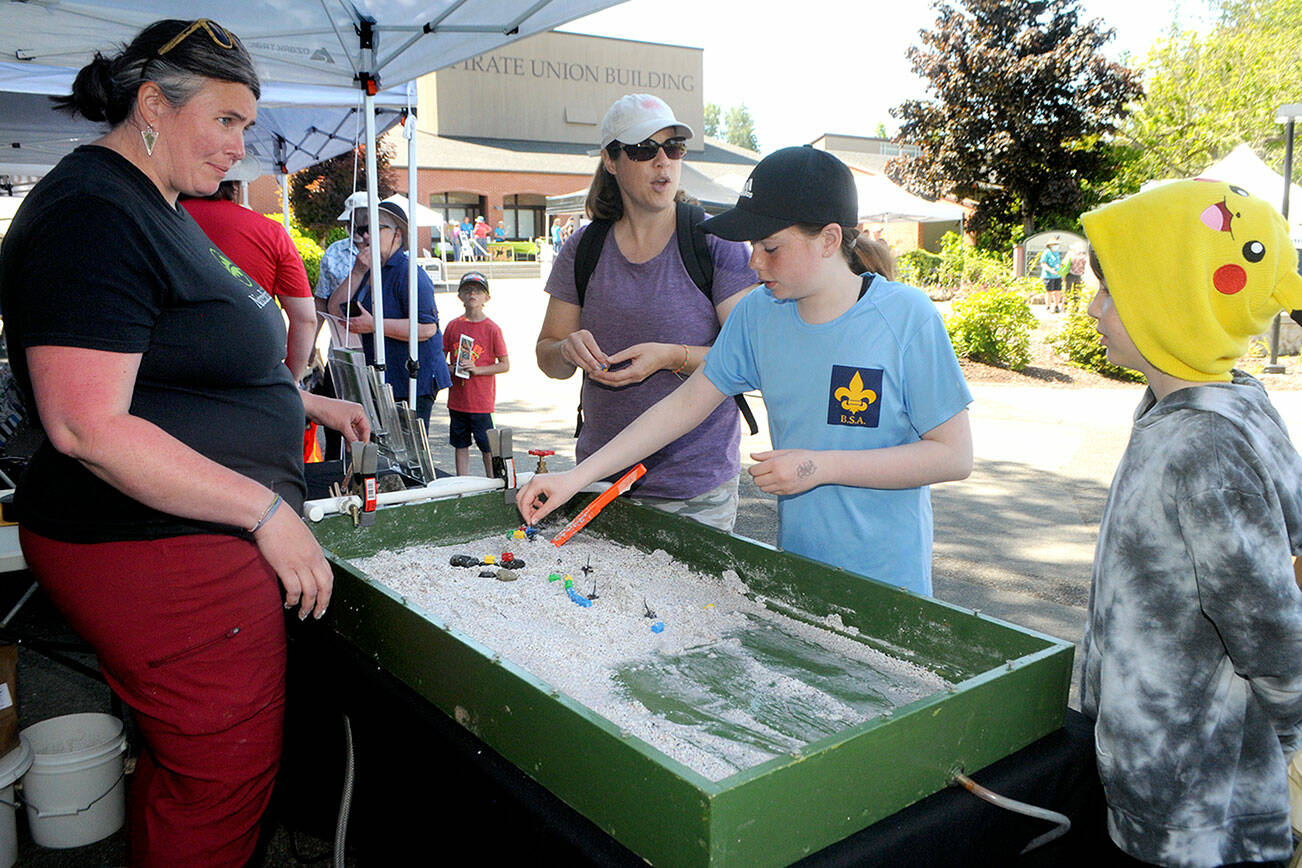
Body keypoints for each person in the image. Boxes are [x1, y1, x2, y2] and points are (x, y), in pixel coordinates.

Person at [0, 18, 370, 868]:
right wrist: (266, 511)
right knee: (221, 776)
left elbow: (177, 367)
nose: (242, 145)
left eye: (248, 125)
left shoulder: (148, 201)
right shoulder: (92, 212)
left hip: (173, 537)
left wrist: (303, 402)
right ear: (153, 104)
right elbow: (86, 424)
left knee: (186, 768)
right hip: (161, 548)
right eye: (227, 120)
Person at [521, 146, 973, 594]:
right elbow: (682, 407)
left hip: (891, 582)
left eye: (770, 246)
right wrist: (576, 479)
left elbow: (954, 455)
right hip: (799, 571)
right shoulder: (759, 314)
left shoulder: (906, 316)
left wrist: (820, 466)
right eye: (753, 245)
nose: (754, 262)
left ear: (830, 240)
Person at [1079, 179, 1302, 867]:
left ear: (1169, 304)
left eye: (1111, 290)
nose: (1092, 307)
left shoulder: (1202, 441)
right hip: (1167, 776)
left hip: (1196, 813)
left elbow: (1269, 626)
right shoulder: (1211, 405)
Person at [534, 93, 758, 532]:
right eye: (643, 149)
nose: (663, 161)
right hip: (600, 482)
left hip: (695, 489)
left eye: (673, 147)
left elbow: (752, 358)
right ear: (611, 161)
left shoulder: (714, 242)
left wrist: (672, 356)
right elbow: (548, 358)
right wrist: (566, 349)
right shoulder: (584, 247)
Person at [321, 199, 451, 428]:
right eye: (363, 230)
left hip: (412, 378)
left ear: (397, 234)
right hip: (383, 378)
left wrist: (375, 325)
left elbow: (427, 328)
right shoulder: (370, 270)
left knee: (410, 448)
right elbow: (334, 308)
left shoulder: (410, 273)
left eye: (375, 228)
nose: (366, 237)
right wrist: (359, 271)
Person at [183, 176, 317, 381]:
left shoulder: (156, 222)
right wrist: (290, 380)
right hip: (252, 372)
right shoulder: (271, 232)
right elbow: (305, 319)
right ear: (234, 185)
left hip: (172, 374)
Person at [443, 271, 509, 476]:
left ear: (486, 298)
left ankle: (491, 482)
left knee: (487, 447)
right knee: (460, 444)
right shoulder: (453, 326)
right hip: (457, 400)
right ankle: (462, 482)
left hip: (481, 402)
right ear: (460, 296)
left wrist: (477, 369)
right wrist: (450, 369)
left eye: (478, 291)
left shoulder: (492, 329)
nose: (473, 294)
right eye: (468, 290)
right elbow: (440, 358)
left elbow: (504, 364)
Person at [1040, 238, 1064, 313]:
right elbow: (1043, 263)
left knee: (1057, 291)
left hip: (1057, 276)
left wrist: (1061, 273)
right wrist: (1050, 270)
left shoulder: (1057, 253)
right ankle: (1048, 306)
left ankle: (1056, 306)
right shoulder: (1046, 253)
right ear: (1050, 245)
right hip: (1048, 276)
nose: (1056, 246)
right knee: (1049, 292)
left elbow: (1059, 264)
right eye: (1054, 244)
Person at [1063, 242, 1088, 310]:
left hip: (1070, 274)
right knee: (1077, 292)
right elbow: (1084, 266)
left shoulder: (1070, 254)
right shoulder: (1083, 256)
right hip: (1079, 275)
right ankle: (1076, 307)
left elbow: (1065, 263)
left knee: (1067, 290)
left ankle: (1065, 307)